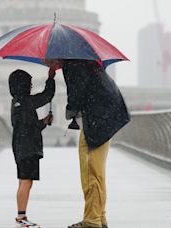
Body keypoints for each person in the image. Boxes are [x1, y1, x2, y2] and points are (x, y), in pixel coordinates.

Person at [47, 59, 130, 228]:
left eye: (46, 57)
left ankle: (92, 220)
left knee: (92, 169)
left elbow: (77, 94)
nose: (43, 60)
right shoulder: (79, 62)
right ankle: (98, 217)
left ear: (56, 55)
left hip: (100, 118)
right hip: (100, 116)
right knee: (92, 169)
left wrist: (69, 111)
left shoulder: (73, 65)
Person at [9, 68, 55, 228]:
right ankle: (21, 218)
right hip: (28, 147)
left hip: (20, 146)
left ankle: (21, 216)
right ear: (23, 85)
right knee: (26, 181)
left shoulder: (16, 102)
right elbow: (46, 96)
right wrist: (51, 78)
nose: (30, 87)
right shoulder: (26, 101)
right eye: (29, 84)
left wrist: (43, 121)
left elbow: (27, 125)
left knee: (24, 181)